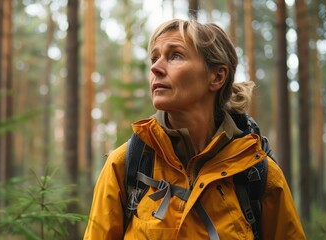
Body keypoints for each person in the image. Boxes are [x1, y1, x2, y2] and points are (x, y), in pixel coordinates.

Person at [84, 18, 306, 239]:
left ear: (217, 76)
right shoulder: (125, 164)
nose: (155, 67)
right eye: (154, 57)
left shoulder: (257, 174)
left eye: (175, 55)